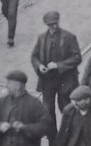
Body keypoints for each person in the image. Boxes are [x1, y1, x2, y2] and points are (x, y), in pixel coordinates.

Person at [31, 11, 82, 141]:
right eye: (50, 25)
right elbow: (34, 56)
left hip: (66, 80)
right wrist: (39, 66)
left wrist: (59, 65)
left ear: (58, 21)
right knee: (47, 111)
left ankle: (70, 138)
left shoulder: (69, 37)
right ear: (46, 25)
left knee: (66, 109)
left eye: (55, 23)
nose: (53, 26)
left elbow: (77, 58)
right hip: (47, 81)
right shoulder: (42, 38)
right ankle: (53, 140)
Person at [0, 70, 51, 146]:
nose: (6, 85)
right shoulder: (2, 101)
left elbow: (45, 126)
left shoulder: (35, 104)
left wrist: (24, 128)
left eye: (9, 83)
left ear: (18, 86)